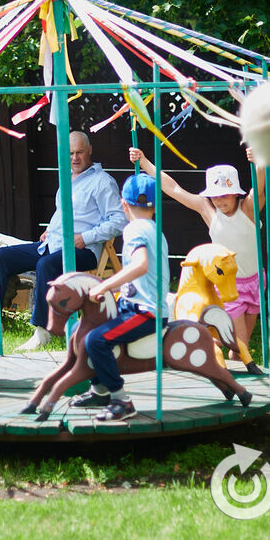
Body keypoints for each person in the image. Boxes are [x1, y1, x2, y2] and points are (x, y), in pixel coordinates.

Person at [0, 131, 126, 351]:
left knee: (45, 265)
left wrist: (85, 238)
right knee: (1, 256)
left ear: (90, 151)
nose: (74, 158)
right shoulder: (68, 178)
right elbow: (64, 213)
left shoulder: (103, 182)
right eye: (70, 153)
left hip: (83, 252)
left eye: (79, 152)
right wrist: (50, 229)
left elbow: (119, 220)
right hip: (53, 244)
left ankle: (43, 331)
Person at [127, 146, 265, 375]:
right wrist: (145, 164)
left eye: (225, 194)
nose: (219, 201)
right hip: (227, 285)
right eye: (215, 195)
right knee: (238, 341)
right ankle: (225, 375)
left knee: (241, 344)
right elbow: (173, 188)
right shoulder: (209, 211)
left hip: (255, 280)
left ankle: (225, 366)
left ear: (236, 193)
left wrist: (259, 161)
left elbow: (260, 187)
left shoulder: (248, 209)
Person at [77, 173, 170, 421]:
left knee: (96, 340)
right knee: (84, 329)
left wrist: (104, 286)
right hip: (135, 303)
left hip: (146, 312)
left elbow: (140, 265)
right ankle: (99, 389)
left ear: (123, 203)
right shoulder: (154, 229)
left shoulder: (134, 229)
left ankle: (121, 400)